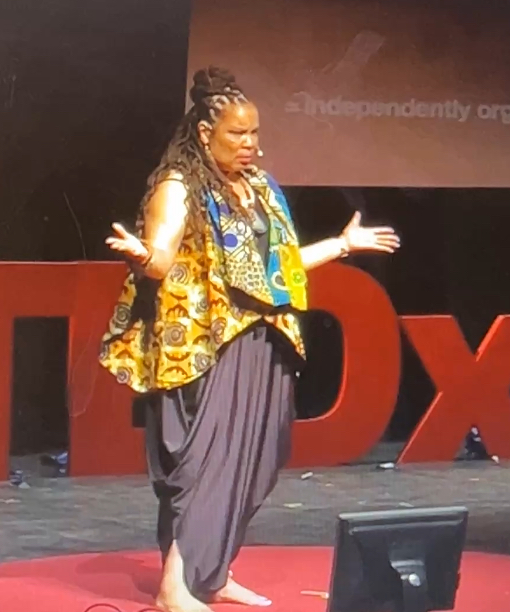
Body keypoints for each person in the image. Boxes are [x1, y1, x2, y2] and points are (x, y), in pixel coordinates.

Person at [99, 66, 400, 612]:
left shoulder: (260, 189)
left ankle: (212, 575)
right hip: (207, 344)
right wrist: (145, 258)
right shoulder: (178, 186)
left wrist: (342, 244)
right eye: (238, 134)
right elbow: (162, 254)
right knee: (207, 464)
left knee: (252, 460)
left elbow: (278, 271)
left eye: (255, 133)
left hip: (263, 340)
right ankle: (175, 588)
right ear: (204, 133)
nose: (250, 144)